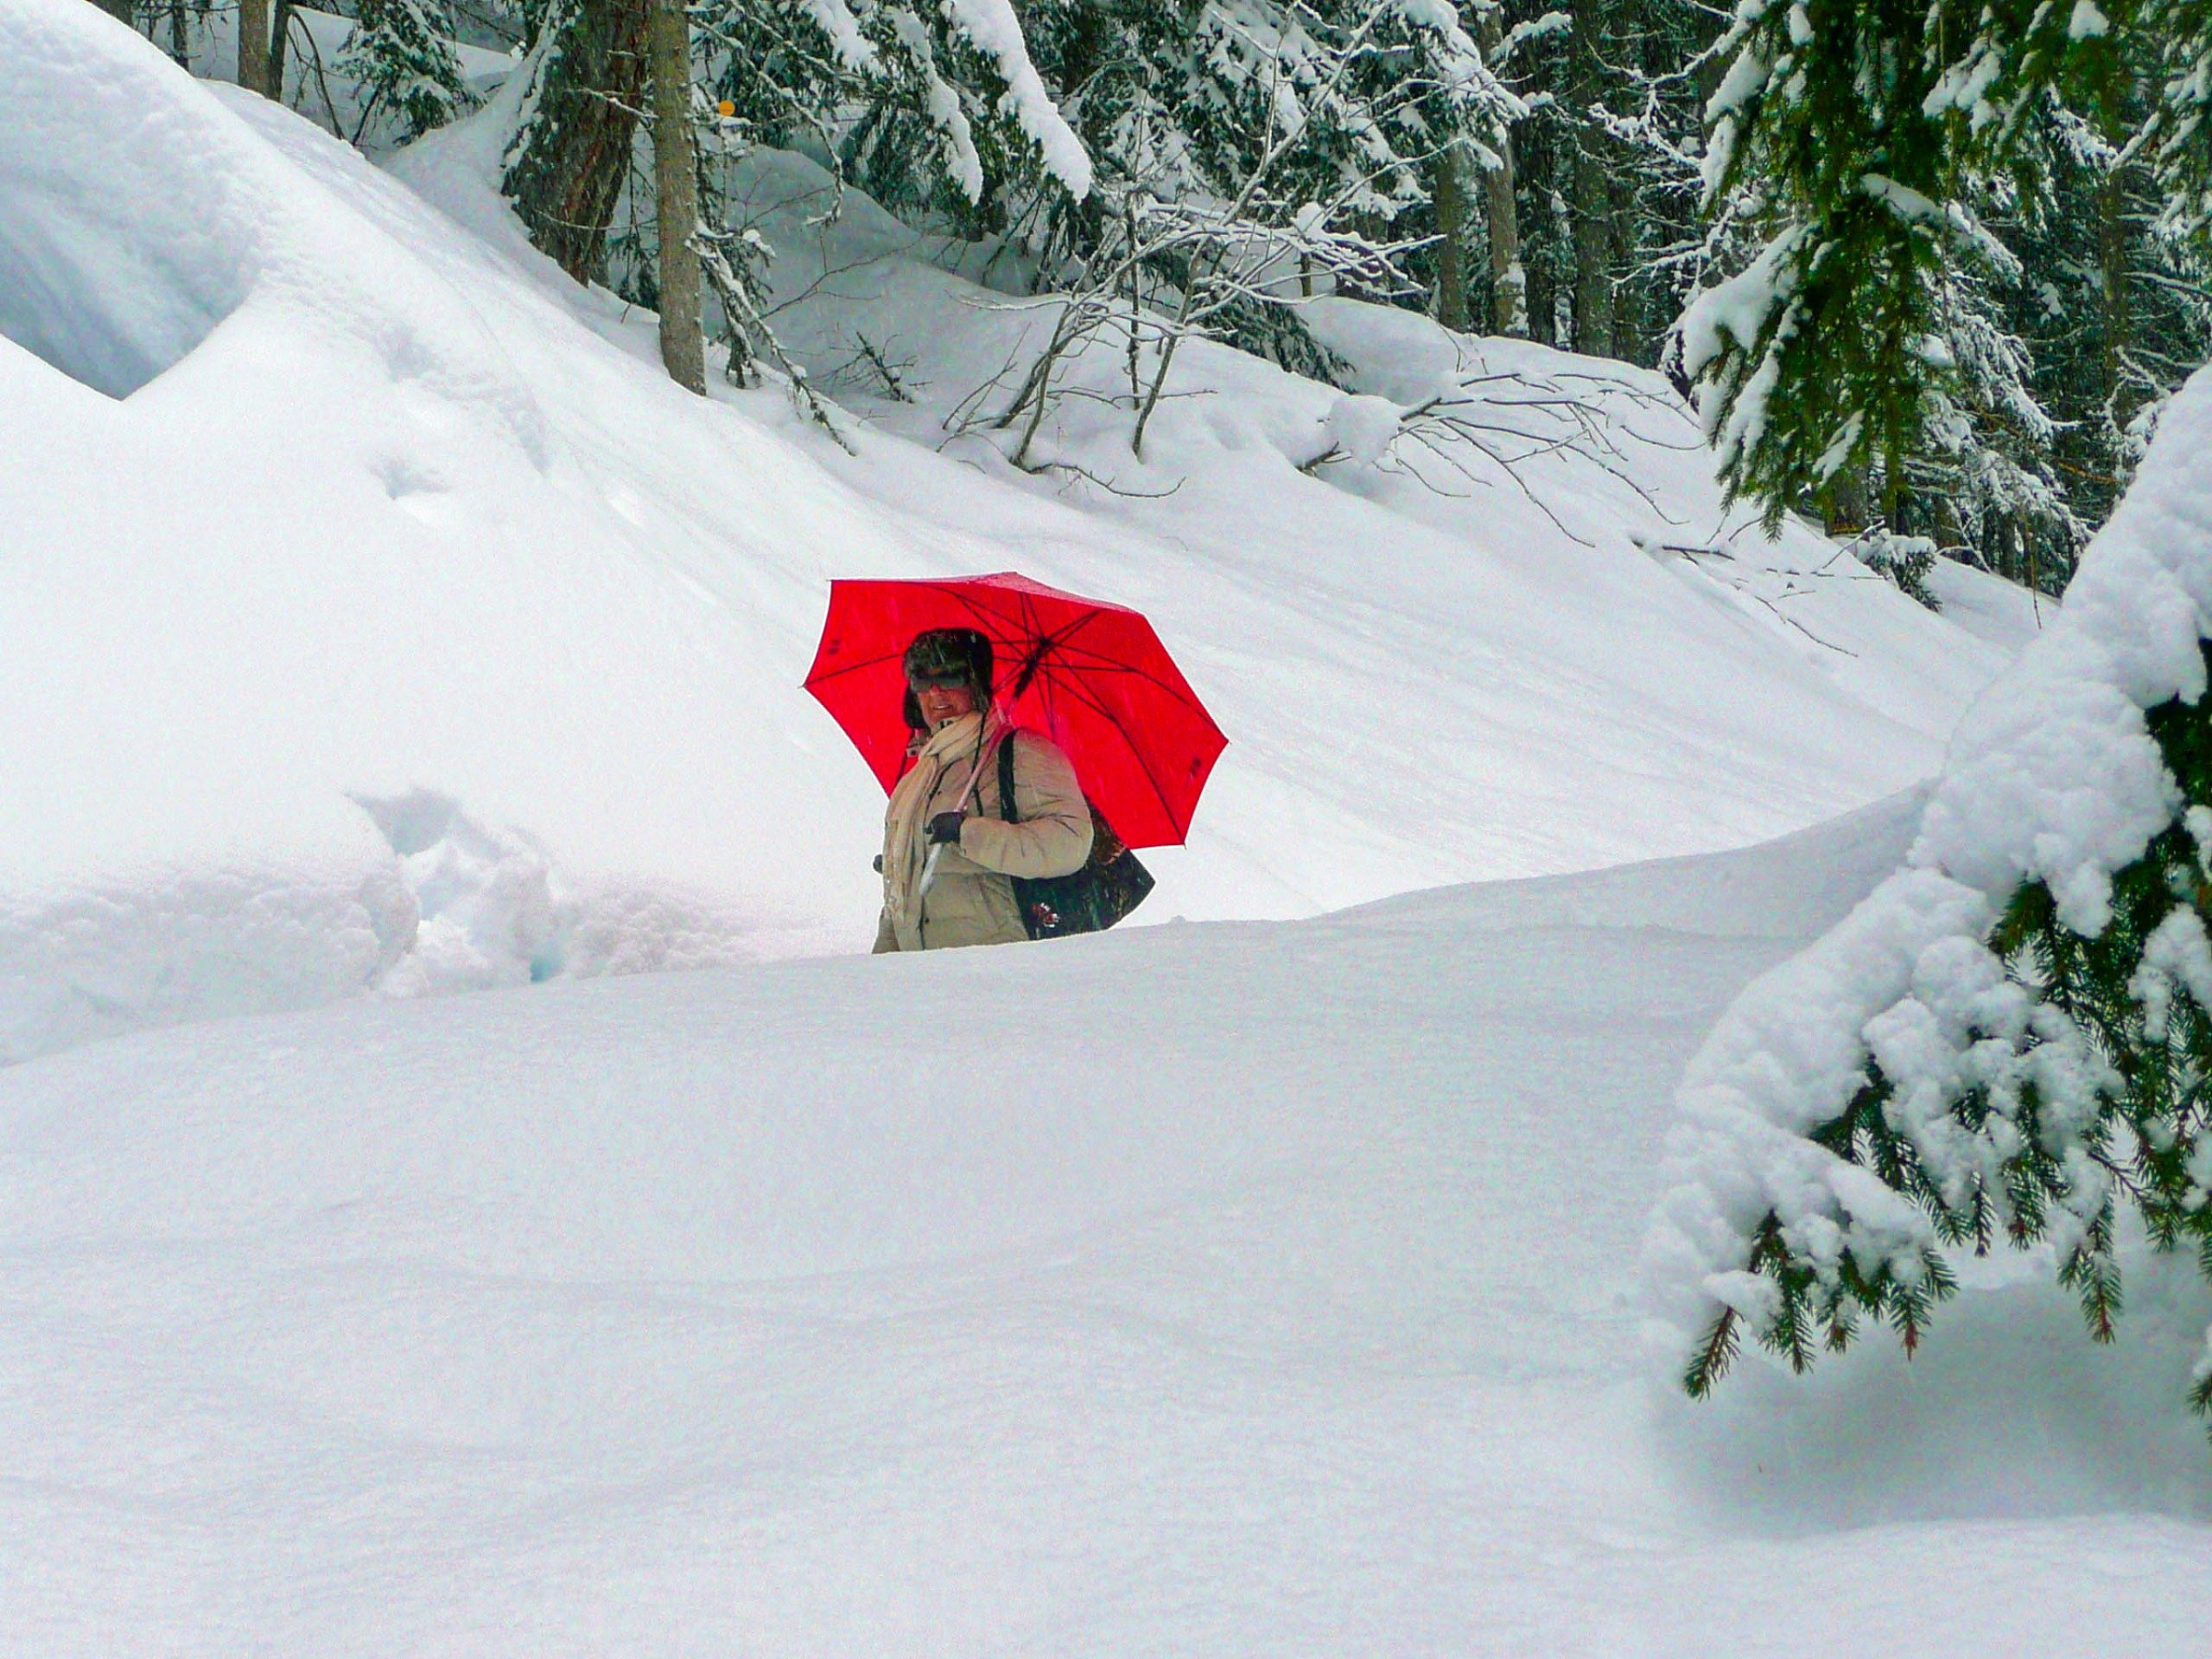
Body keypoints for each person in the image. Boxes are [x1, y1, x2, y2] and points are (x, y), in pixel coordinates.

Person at [875, 627, 1093, 952]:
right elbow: (897, 906)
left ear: (976, 682)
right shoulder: (915, 780)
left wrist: (970, 835)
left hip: (998, 974)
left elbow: (1071, 843)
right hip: (921, 983)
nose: (935, 692)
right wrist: (884, 967)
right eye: (921, 679)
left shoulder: (1021, 753)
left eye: (950, 676)